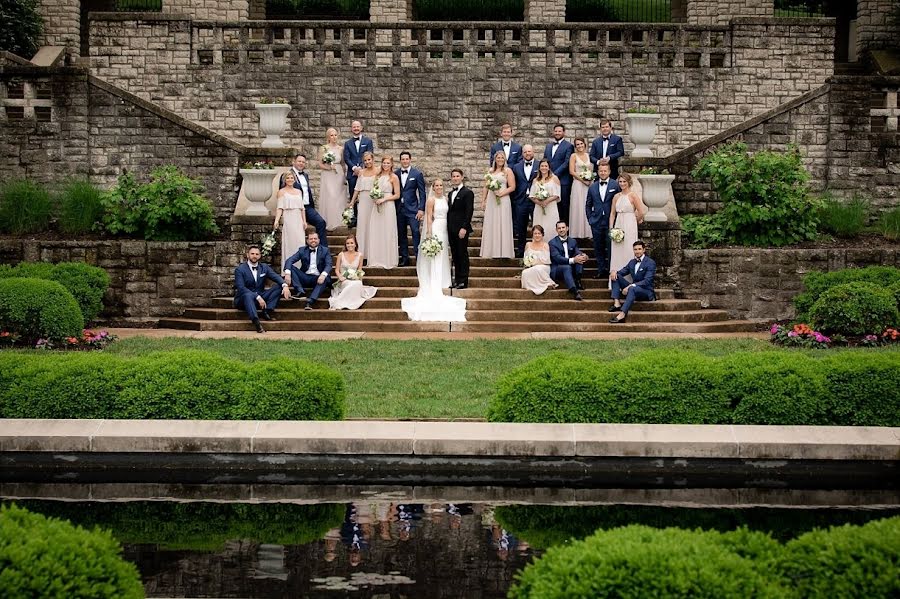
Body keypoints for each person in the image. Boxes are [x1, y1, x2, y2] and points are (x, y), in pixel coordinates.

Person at [401, 179, 467, 321]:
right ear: (433, 187)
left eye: (441, 185)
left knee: (443, 253)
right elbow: (429, 217)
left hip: (445, 228)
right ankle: (433, 277)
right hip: (436, 227)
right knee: (436, 253)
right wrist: (429, 232)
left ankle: (443, 278)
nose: (439, 187)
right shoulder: (431, 200)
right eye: (436, 185)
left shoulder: (445, 198)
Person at [233, 245, 290, 333]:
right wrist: (257, 297)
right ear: (247, 255)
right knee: (248, 295)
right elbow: (241, 288)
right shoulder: (240, 269)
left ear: (260, 256)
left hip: (261, 295)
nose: (254, 256)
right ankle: (256, 322)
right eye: (252, 254)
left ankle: (266, 311)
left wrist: (284, 285)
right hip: (244, 299)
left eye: (257, 254)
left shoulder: (264, 267)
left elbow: (275, 276)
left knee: (279, 286)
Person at [282, 153, 328, 244]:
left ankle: (323, 251)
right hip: (295, 208)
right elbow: (282, 192)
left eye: (303, 162)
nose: (301, 163)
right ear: (293, 162)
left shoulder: (305, 175)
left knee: (321, 222)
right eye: (299, 161)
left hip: (307, 207)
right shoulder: (287, 175)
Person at [283, 229, 333, 310]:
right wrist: (287, 273)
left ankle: (310, 301)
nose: (313, 240)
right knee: (290, 268)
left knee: (326, 278)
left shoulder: (325, 250)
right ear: (307, 240)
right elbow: (290, 260)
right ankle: (300, 291)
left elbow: (329, 264)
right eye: (311, 239)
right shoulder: (302, 250)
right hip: (305, 277)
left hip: (318, 278)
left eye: (315, 239)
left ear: (319, 240)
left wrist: (323, 275)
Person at [585, 162, 620, 278]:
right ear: (598, 172)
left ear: (609, 172)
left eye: (605, 171)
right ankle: (601, 270)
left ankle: (611, 270)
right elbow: (588, 204)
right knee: (598, 247)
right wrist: (590, 218)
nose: (603, 173)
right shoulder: (593, 186)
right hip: (596, 222)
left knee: (611, 247)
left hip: (611, 222)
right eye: (601, 171)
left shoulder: (615, 185)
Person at [608, 172, 645, 280]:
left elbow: (641, 211)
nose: (622, 184)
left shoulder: (633, 195)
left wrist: (635, 220)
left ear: (629, 182)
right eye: (620, 182)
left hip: (630, 223)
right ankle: (615, 278)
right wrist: (611, 229)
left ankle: (629, 279)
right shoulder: (616, 196)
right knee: (617, 250)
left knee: (629, 249)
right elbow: (612, 214)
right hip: (618, 223)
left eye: (624, 181)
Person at [366, 155, 400, 269]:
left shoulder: (394, 177)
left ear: (391, 164)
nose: (386, 165)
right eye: (384, 163)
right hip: (376, 206)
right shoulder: (377, 176)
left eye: (388, 163)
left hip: (388, 205)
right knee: (377, 230)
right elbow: (373, 189)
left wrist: (384, 199)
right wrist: (375, 197)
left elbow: (397, 195)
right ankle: (376, 258)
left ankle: (388, 259)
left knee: (387, 230)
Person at [609, 240, 656, 323]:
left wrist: (631, 286)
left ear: (644, 250)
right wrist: (613, 271)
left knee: (632, 288)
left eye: (639, 249)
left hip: (646, 291)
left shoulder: (650, 262)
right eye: (635, 249)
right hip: (634, 289)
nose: (637, 251)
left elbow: (647, 281)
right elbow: (621, 272)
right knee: (615, 276)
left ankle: (622, 314)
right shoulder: (632, 262)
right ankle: (617, 303)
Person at [480, 150, 515, 258]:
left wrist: (501, 193)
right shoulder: (490, 171)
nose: (500, 160)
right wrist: (483, 200)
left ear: (505, 159)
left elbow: (512, 187)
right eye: (498, 158)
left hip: (503, 199)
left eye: (502, 158)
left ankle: (504, 252)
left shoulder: (508, 171)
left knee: (503, 222)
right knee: (491, 222)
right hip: (491, 200)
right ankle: (490, 251)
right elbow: (486, 186)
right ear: (495, 159)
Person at [395, 151, 427, 267]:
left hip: (413, 210)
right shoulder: (396, 174)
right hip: (399, 209)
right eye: (402, 159)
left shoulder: (417, 174)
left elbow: (422, 193)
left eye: (406, 159)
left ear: (410, 160)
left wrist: (421, 209)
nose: (404, 161)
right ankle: (404, 258)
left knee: (415, 232)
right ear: (400, 160)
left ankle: (419, 257)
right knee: (401, 234)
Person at [329, 234, 376, 310]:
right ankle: (339, 301)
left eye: (351, 243)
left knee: (357, 284)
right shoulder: (341, 255)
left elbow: (359, 270)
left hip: (355, 279)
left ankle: (351, 302)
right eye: (347, 243)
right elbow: (337, 270)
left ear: (355, 244)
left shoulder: (360, 255)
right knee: (352, 284)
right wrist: (340, 277)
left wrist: (360, 280)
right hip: (344, 280)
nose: (349, 245)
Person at [446, 168, 475, 289]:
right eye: (453, 176)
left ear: (462, 177)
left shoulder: (468, 193)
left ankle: (463, 280)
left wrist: (464, 227)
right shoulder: (450, 193)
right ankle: (457, 280)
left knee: (462, 254)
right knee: (455, 254)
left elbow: (469, 212)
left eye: (457, 176)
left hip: (461, 229)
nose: (455, 178)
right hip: (451, 229)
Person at [272, 171, 306, 269]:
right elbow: (279, 208)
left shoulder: (299, 191)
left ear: (294, 179)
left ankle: (300, 268)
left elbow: (302, 208)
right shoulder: (281, 192)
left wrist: (304, 221)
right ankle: (288, 269)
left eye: (291, 178)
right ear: (285, 180)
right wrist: (276, 220)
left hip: (298, 218)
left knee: (300, 242)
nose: (290, 180)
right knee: (290, 243)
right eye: (288, 178)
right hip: (288, 217)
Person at [510, 144, 539, 258]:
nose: (528, 153)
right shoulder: (516, 167)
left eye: (529, 151)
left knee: (537, 226)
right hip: (520, 200)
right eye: (525, 152)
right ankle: (521, 250)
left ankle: (536, 250)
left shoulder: (539, 165)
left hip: (535, 200)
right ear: (522, 153)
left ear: (533, 152)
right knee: (521, 227)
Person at [348, 151, 378, 256]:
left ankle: (373, 252)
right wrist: (352, 201)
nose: (367, 162)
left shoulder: (378, 171)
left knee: (373, 225)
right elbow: (357, 188)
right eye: (365, 160)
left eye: (369, 159)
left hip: (374, 200)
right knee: (363, 225)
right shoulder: (361, 172)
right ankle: (363, 253)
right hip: (363, 200)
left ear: (373, 159)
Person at [543, 124, 574, 224]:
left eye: (559, 131)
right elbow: (545, 162)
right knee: (550, 205)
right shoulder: (548, 146)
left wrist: (553, 175)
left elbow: (566, 162)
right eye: (556, 131)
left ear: (564, 132)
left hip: (563, 182)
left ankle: (564, 231)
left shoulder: (569, 146)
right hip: (549, 181)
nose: (557, 133)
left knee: (563, 206)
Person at [318, 127, 348, 230]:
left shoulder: (341, 149)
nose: (334, 137)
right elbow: (320, 164)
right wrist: (328, 167)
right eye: (332, 135)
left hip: (338, 174)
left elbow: (343, 164)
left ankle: (339, 220)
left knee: (339, 197)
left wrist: (344, 177)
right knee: (330, 196)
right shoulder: (324, 148)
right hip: (328, 174)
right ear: (328, 137)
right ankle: (330, 221)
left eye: (335, 135)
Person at [549, 221, 586, 301]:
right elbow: (557, 258)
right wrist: (573, 260)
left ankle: (578, 280)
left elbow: (577, 251)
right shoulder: (552, 243)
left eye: (563, 227)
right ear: (556, 230)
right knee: (567, 266)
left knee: (580, 258)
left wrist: (583, 255)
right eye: (559, 228)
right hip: (557, 269)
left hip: (570, 268)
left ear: (567, 228)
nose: (561, 230)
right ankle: (574, 290)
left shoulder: (573, 241)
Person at [567, 137, 594, 239]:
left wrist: (590, 179)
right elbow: (571, 171)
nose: (580, 146)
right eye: (577, 144)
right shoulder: (573, 156)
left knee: (587, 205)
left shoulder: (588, 156)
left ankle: (588, 232)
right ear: (575, 146)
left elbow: (591, 169)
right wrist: (583, 180)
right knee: (578, 206)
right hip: (578, 184)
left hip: (588, 185)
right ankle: (577, 232)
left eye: (581, 144)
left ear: (585, 144)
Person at [343, 120, 375, 199]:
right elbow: (346, 158)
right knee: (353, 196)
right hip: (352, 174)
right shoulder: (347, 143)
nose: (356, 128)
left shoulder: (368, 141)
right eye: (354, 127)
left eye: (357, 127)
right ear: (351, 129)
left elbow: (369, 156)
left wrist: (361, 168)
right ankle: (354, 211)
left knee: (366, 196)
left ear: (361, 128)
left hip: (366, 173)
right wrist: (354, 168)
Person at [521, 224, 557, 295]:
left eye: (539, 233)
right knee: (525, 273)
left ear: (542, 235)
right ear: (532, 235)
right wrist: (528, 263)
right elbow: (525, 258)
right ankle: (538, 286)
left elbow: (546, 260)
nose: (537, 235)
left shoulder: (545, 245)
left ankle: (548, 283)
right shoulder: (528, 244)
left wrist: (535, 262)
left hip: (544, 267)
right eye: (535, 233)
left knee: (538, 269)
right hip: (532, 267)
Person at [529, 159, 561, 235]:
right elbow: (532, 196)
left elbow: (557, 194)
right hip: (539, 208)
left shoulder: (554, 178)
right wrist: (540, 202)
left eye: (546, 166)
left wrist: (546, 201)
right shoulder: (535, 180)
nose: (544, 168)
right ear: (539, 168)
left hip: (551, 207)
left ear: (549, 167)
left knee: (551, 226)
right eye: (542, 166)